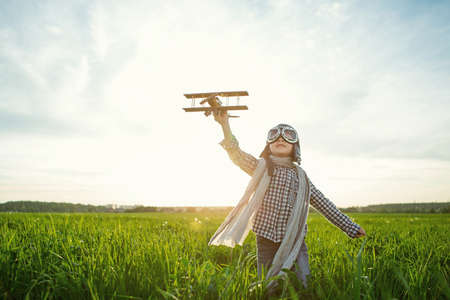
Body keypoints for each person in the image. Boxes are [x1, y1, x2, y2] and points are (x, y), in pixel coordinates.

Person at [208, 111, 366, 289]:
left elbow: (324, 204)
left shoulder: (301, 178)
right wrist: (225, 125)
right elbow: (236, 154)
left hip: (293, 238)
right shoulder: (261, 167)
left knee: (302, 280)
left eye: (287, 137)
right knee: (267, 282)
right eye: (275, 137)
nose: (280, 139)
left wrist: (350, 227)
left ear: (295, 147)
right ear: (268, 146)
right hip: (265, 237)